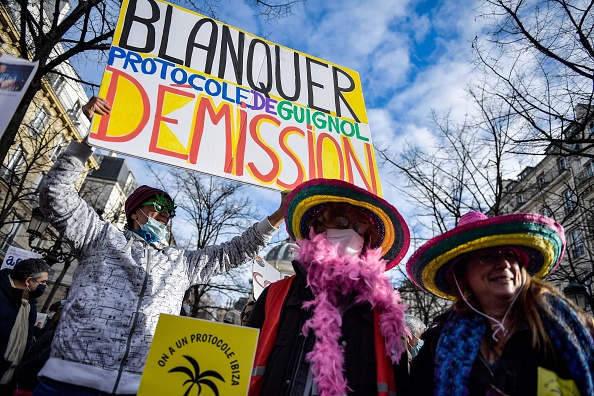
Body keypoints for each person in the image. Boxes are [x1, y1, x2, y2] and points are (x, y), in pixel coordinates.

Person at [33, 97, 288, 395]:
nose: (166, 215)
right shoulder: (99, 237)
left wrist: (279, 214)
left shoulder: (180, 263)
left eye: (170, 212)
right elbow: (54, 195)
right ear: (135, 211)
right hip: (69, 383)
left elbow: (233, 253)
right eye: (158, 208)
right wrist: (89, 139)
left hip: (142, 387)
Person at [247, 179, 411, 396]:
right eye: (342, 223)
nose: (352, 235)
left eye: (359, 228)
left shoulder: (384, 311)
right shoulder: (275, 296)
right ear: (319, 229)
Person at [406, 211, 594, 395]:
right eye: (487, 256)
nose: (503, 263)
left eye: (510, 255)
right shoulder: (437, 345)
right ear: (462, 275)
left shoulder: (570, 327)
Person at [0, 258, 49, 394]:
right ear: (28, 281)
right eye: (42, 282)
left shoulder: (30, 303)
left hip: (9, 377)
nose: (45, 286)